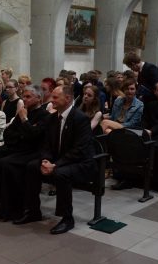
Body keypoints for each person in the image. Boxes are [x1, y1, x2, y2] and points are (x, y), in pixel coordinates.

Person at [14, 85, 96, 235]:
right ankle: (33, 211)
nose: (51, 100)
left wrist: (55, 165)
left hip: (81, 163)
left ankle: (67, 218)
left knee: (60, 173)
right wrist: (45, 160)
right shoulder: (52, 118)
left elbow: (79, 150)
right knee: (32, 166)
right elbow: (46, 144)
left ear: (68, 98)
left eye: (56, 97)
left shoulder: (80, 118)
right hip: (59, 160)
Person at [0, 85, 49, 219]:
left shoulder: (44, 116)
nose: (24, 99)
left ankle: (7, 207)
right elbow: (8, 133)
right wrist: (23, 132)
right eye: (24, 96)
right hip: (13, 146)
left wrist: (24, 121)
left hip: (29, 151)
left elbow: (34, 136)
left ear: (39, 98)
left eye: (28, 97)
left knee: (4, 164)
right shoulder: (23, 113)